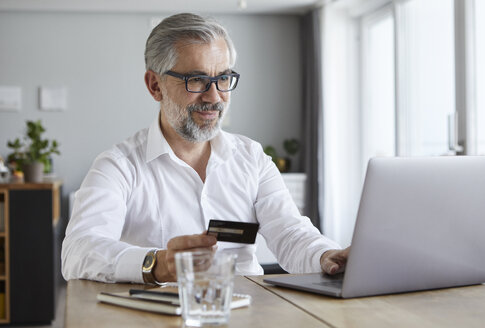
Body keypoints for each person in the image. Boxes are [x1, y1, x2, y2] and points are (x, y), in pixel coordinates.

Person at [61, 13, 349, 284]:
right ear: (155, 86)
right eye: (196, 80)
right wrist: (157, 264)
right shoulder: (119, 166)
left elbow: (289, 232)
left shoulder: (252, 158)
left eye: (223, 78)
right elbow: (78, 251)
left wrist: (325, 256)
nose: (214, 97)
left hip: (249, 313)